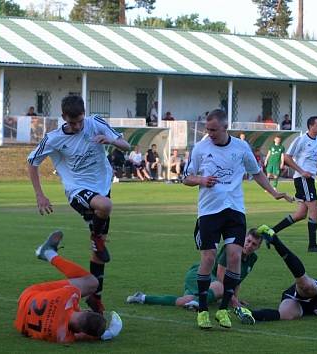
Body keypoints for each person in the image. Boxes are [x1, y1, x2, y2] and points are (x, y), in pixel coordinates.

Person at [183, 109, 292, 330]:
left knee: (235, 256)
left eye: (213, 130)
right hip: (209, 212)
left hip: (234, 210)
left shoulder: (241, 148)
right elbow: (186, 177)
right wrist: (202, 180)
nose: (210, 133)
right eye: (207, 129)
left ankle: (223, 310)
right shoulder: (201, 148)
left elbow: (256, 172)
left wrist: (273, 192)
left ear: (225, 128)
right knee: (208, 258)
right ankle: (203, 310)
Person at [27, 95, 130, 314]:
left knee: (98, 253)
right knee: (105, 206)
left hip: (102, 185)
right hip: (77, 190)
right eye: (72, 123)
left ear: (85, 114)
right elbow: (32, 162)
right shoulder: (54, 138)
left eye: (80, 121)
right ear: (63, 117)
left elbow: (126, 145)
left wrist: (110, 140)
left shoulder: (96, 123)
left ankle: (95, 299)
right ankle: (96, 238)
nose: (77, 126)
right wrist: (40, 195)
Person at [126, 228, 262, 325]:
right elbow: (221, 276)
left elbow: (237, 279)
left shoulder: (252, 259)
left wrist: (236, 299)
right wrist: (232, 300)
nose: (249, 245)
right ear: (244, 238)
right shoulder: (231, 249)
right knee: (221, 287)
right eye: (248, 241)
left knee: (183, 301)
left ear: (258, 247)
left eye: (254, 244)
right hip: (201, 274)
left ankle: (142, 298)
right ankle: (198, 302)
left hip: (211, 284)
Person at [15, 230, 122, 343]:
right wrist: (108, 334)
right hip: (21, 323)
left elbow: (68, 306)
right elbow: (81, 336)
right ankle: (48, 253)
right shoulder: (63, 337)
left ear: (87, 311)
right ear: (82, 331)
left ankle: (48, 253)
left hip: (26, 297)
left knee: (91, 282)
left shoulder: (71, 295)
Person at [268, 116, 317, 253]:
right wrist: (302, 171)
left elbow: (315, 158)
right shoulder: (301, 140)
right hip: (302, 179)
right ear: (311, 126)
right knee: (315, 210)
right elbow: (287, 157)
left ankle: (270, 232)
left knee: (301, 214)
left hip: (309, 179)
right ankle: (312, 246)